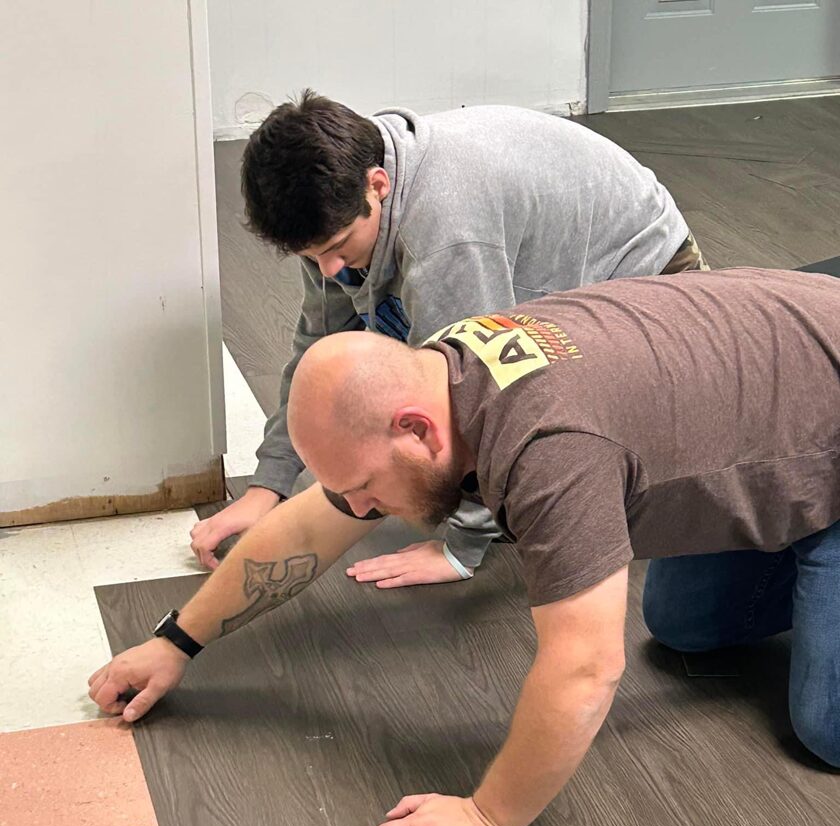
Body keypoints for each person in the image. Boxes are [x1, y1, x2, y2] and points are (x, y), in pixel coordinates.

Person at [93, 267, 840, 826]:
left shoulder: (550, 448)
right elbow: (312, 525)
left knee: (826, 727)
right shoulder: (442, 374)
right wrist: (176, 641)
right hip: (796, 398)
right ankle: (803, 515)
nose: (360, 511)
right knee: (684, 626)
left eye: (364, 487)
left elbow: (586, 667)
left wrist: (487, 817)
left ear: (415, 429)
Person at [191, 90, 707, 587]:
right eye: (312, 256)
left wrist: (462, 545)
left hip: (655, 293)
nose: (327, 269)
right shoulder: (341, 209)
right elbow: (317, 348)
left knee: (547, 459)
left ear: (377, 184)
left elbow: (481, 386)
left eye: (338, 247)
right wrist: (269, 486)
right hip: (552, 266)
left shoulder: (445, 234)